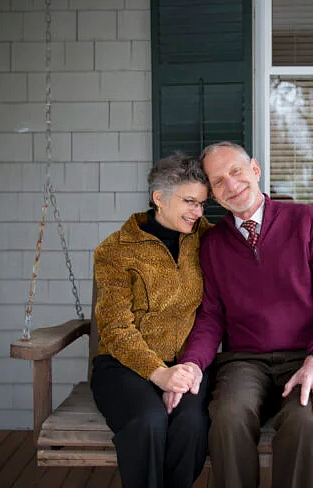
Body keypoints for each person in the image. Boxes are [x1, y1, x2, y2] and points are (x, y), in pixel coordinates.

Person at [167, 142, 313, 488]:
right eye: (218, 181)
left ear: (255, 169)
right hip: (244, 362)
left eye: (235, 172)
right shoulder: (213, 244)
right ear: (212, 195)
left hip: (307, 356)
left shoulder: (306, 220)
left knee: (305, 420)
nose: (231, 185)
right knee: (227, 416)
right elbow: (211, 317)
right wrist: (192, 363)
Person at [90, 153, 212, 488]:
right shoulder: (116, 250)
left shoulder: (206, 238)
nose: (198, 213)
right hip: (123, 366)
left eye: (202, 204)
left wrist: (181, 371)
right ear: (159, 198)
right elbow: (114, 328)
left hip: (187, 364)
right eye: (190, 202)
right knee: (148, 420)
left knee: (191, 424)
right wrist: (159, 374)